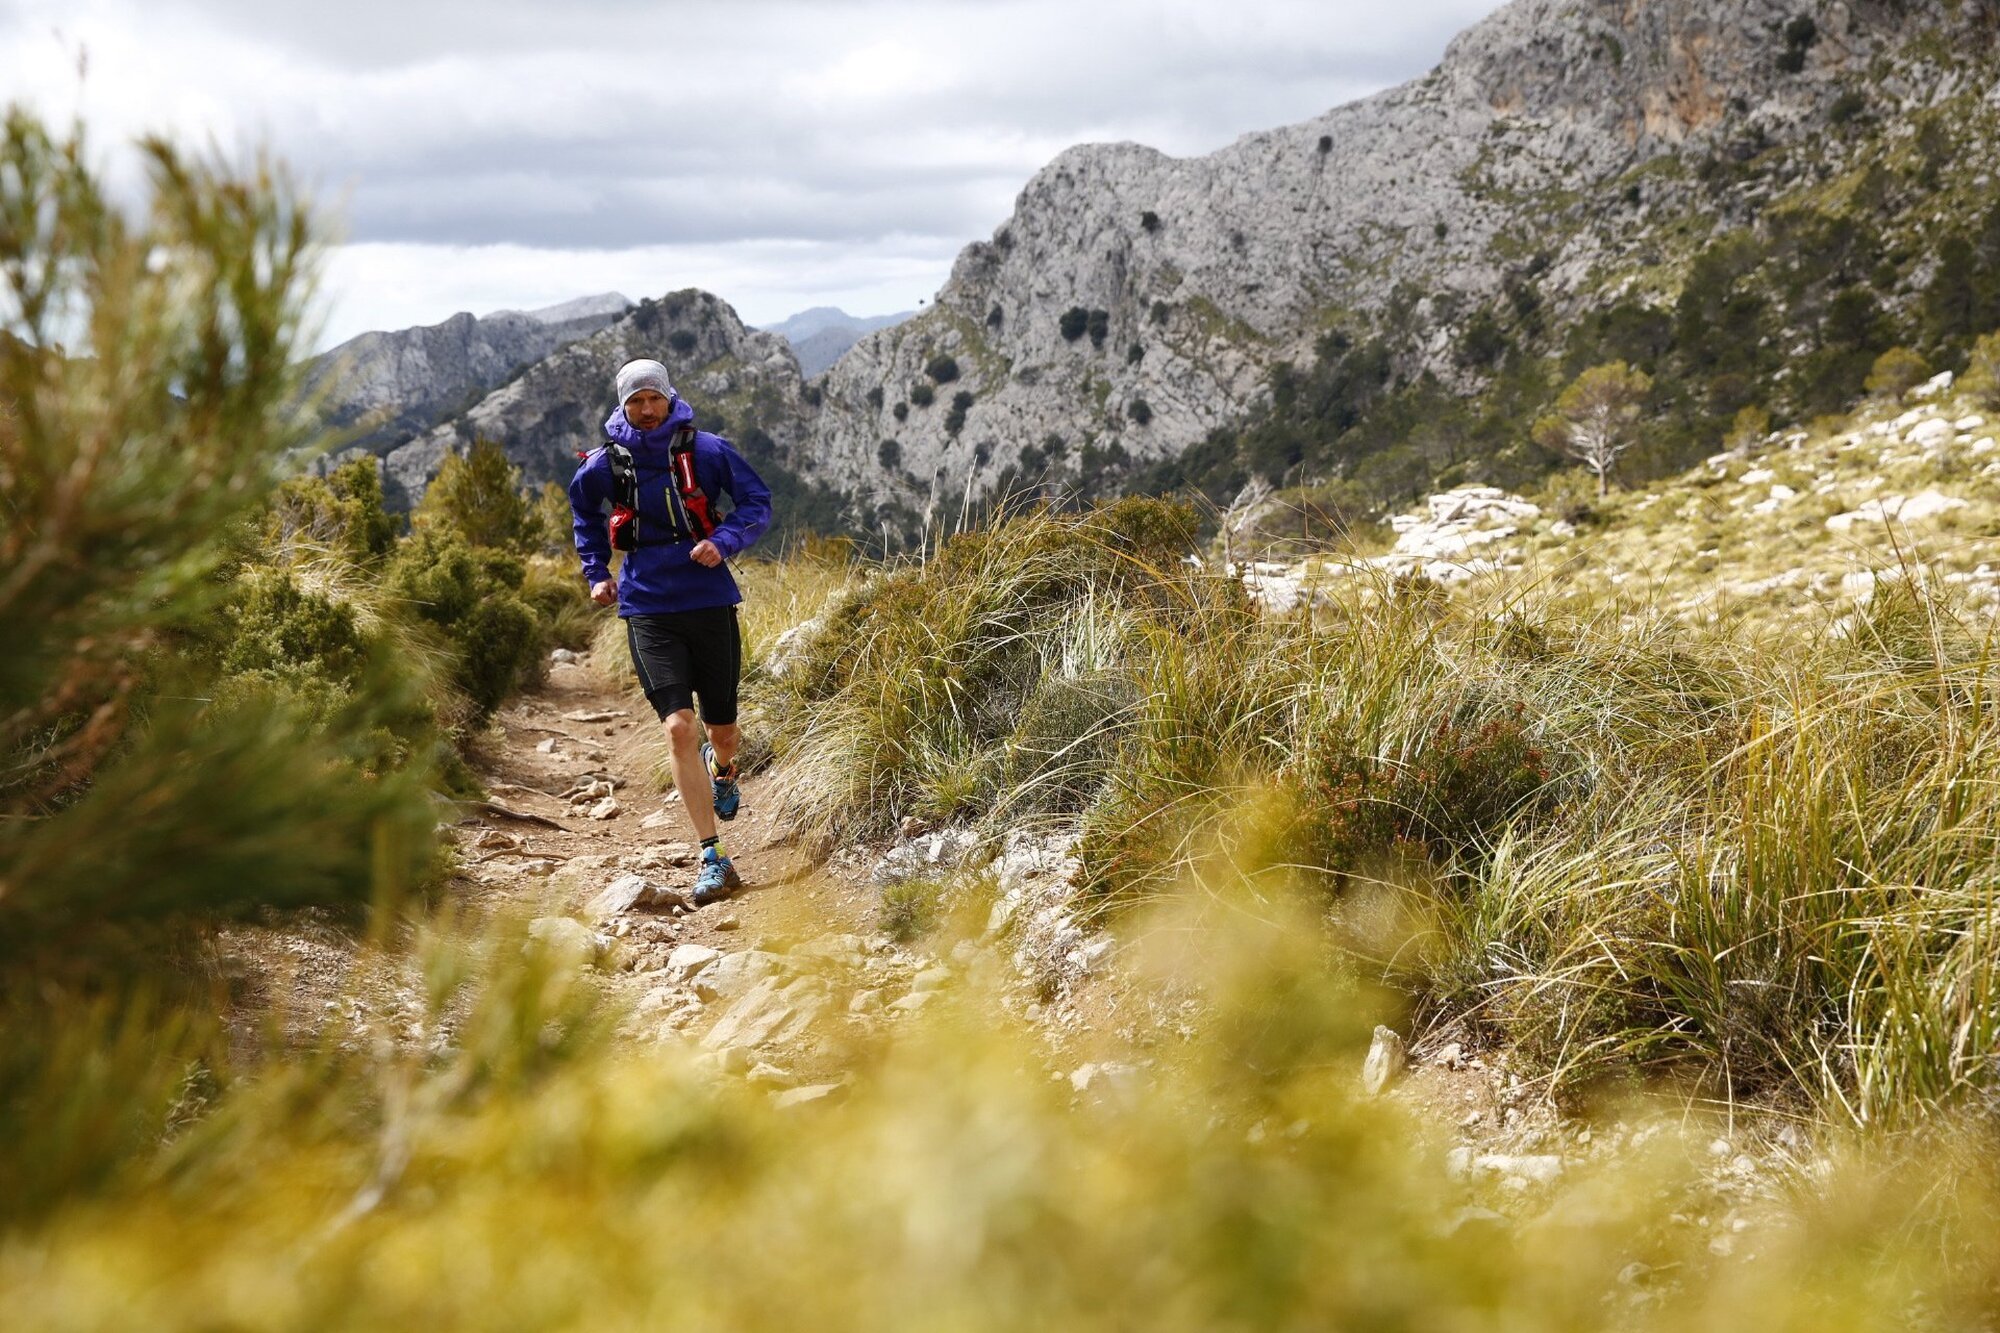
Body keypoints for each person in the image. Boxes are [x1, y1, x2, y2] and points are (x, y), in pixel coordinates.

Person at [569, 358, 773, 905]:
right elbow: (584, 515)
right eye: (635, 400)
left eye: (653, 397)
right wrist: (597, 573)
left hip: (708, 599)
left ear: (668, 397)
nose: (646, 408)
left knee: (720, 731)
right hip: (647, 605)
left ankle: (723, 769)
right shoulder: (604, 466)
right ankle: (713, 856)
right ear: (623, 407)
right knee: (680, 727)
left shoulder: (708, 450)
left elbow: (756, 503)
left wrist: (725, 542)